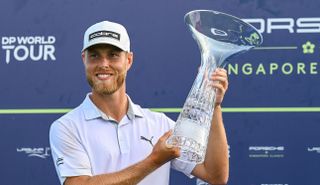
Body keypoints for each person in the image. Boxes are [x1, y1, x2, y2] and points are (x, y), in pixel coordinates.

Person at [49, 20, 229, 185]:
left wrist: (214, 106)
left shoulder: (159, 124)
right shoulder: (67, 127)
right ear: (84, 60)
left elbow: (215, 175)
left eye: (113, 55)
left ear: (128, 60)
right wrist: (154, 161)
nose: (104, 64)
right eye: (94, 56)